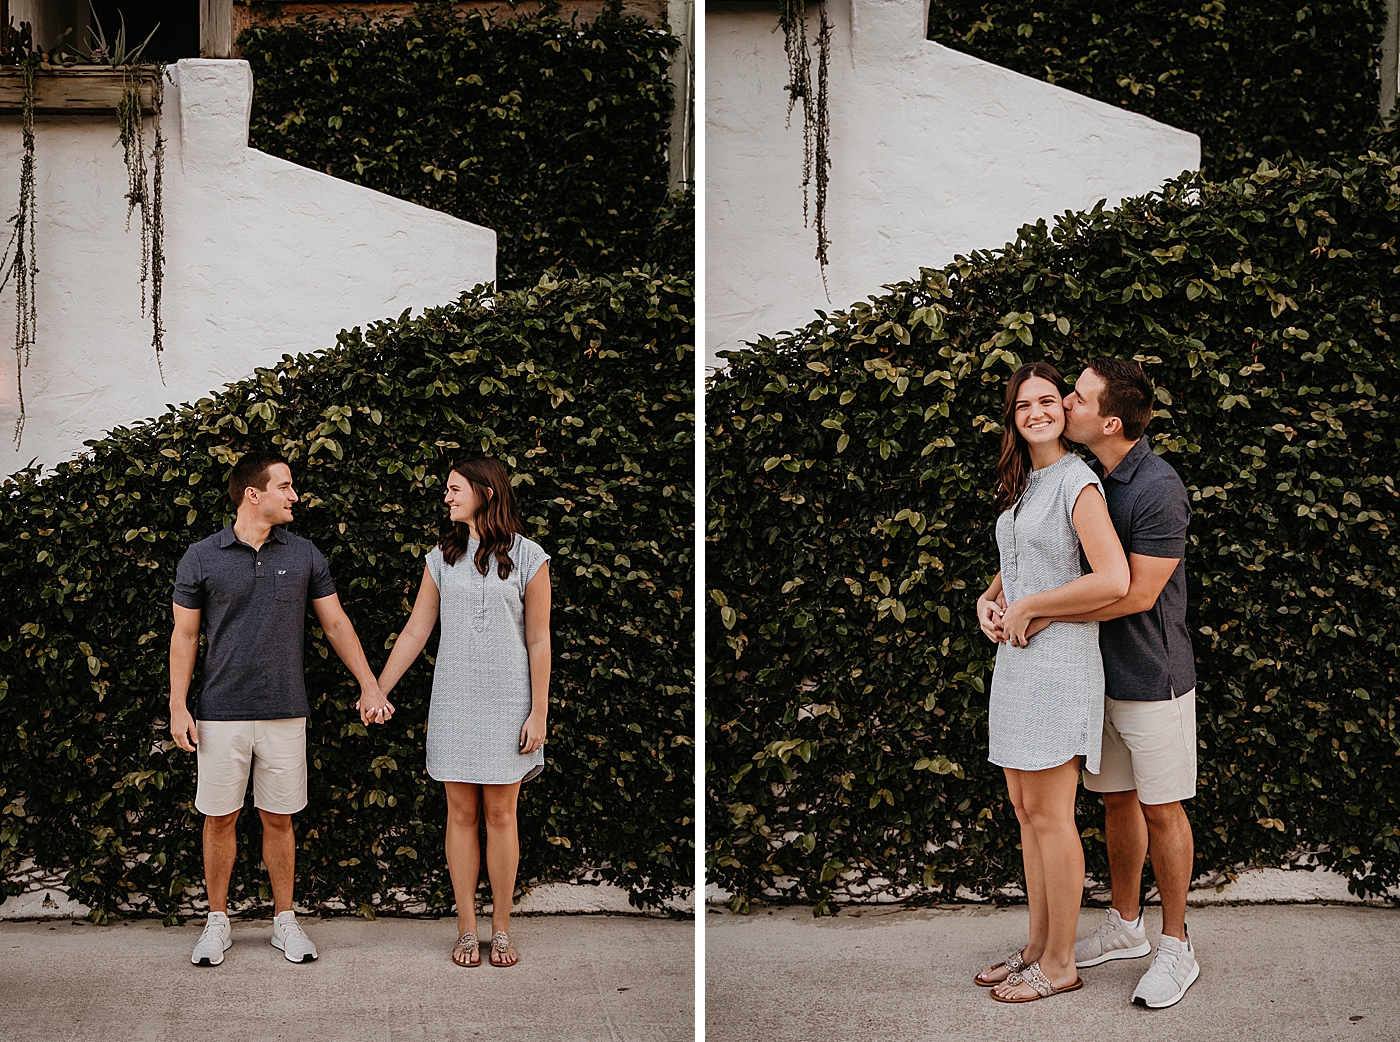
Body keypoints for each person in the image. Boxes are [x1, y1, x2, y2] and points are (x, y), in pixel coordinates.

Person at [1019, 358, 1200, 1009]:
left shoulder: (1157, 486)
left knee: (1162, 809)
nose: (1065, 402)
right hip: (1096, 677)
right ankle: (1127, 927)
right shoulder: (1085, 476)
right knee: (1117, 805)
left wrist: (1040, 608)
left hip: (1155, 680)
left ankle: (1176, 946)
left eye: (1077, 396)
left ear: (1110, 420)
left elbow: (1137, 592)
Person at [170, 451, 390, 967]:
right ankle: (217, 923)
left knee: (279, 818)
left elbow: (335, 624)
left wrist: (370, 685)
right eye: (285, 487)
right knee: (219, 818)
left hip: (286, 711)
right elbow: (184, 635)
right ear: (254, 493)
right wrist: (177, 705)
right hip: (219, 713)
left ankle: (284, 922)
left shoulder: (305, 554)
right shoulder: (202, 556)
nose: (294, 496)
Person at [972, 362, 1130, 1003]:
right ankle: (1037, 947)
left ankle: (1061, 963)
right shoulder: (1023, 483)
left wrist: (1032, 608)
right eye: (1022, 404)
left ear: (1065, 411)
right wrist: (991, 598)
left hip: (1060, 662)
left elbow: (1113, 579)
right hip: (1016, 662)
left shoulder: (1077, 482)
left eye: (1047, 400)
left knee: (1053, 815)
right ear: (1012, 417)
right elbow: (1024, 563)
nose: (1036, 411)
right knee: (1026, 810)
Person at [374, 458, 551, 968]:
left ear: (485, 492)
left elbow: (539, 641)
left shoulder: (529, 557)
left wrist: (538, 712)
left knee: (501, 814)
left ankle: (501, 929)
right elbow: (415, 632)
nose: (447, 498)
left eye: (454, 490)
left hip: (508, 704)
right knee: (460, 814)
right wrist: (379, 689)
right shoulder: (439, 558)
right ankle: (466, 931)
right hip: (453, 701)